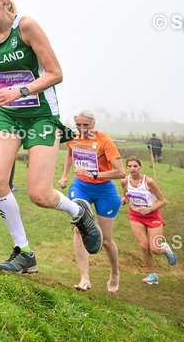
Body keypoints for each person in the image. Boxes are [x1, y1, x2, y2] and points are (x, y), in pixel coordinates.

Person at [0, 0, 101, 274]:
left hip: (41, 115)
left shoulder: (26, 27)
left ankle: (78, 212)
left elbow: (56, 74)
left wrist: (20, 91)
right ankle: (24, 253)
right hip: (8, 114)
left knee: (39, 195)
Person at [58, 111, 124, 292]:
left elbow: (121, 172)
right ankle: (84, 278)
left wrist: (93, 174)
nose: (82, 129)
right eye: (78, 125)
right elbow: (70, 154)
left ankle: (115, 273)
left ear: (93, 123)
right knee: (79, 229)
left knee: (106, 240)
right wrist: (64, 176)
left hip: (105, 190)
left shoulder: (104, 141)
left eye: (86, 125)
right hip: (81, 186)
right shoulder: (73, 137)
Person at [122, 156, 177, 285]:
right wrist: (120, 201)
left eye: (135, 166)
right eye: (129, 166)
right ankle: (153, 275)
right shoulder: (125, 181)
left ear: (141, 167)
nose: (132, 169)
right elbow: (126, 198)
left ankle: (165, 249)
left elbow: (163, 200)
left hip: (152, 215)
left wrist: (150, 209)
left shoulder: (149, 182)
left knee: (155, 249)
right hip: (135, 216)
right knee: (143, 246)